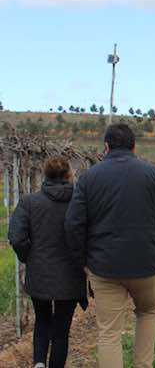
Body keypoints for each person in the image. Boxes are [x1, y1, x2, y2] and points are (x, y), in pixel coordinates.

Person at [65, 123, 155, 368]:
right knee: (147, 313)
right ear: (134, 146)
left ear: (105, 147)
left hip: (104, 266)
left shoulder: (88, 178)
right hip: (145, 264)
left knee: (108, 332)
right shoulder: (153, 173)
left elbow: (73, 224)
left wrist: (82, 263)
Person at [8, 156, 88, 368]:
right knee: (61, 330)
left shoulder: (29, 202)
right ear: (69, 175)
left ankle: (39, 363)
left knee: (42, 321)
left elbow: (16, 237)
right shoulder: (80, 203)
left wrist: (30, 257)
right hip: (71, 276)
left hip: (40, 273)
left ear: (45, 174)